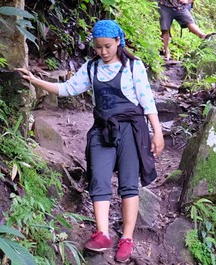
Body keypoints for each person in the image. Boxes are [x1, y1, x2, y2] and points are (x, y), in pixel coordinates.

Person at [15, 20, 164, 263]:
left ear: (119, 41)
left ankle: (127, 238)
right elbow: (67, 89)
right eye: (98, 47)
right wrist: (34, 80)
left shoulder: (134, 67)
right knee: (99, 178)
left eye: (107, 46)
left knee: (128, 183)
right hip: (102, 129)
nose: (103, 52)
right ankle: (102, 233)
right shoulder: (91, 67)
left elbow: (147, 101)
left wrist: (156, 132)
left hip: (131, 130)